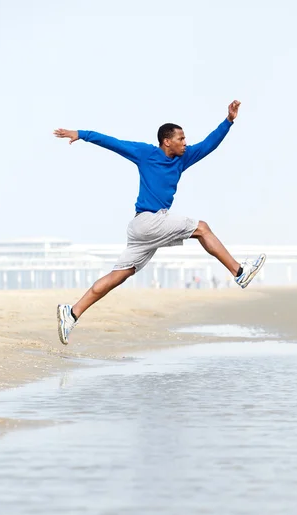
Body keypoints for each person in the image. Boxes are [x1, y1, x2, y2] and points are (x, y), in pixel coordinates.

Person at [54, 100, 265, 345]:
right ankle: (239, 272)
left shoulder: (182, 159)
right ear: (167, 141)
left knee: (118, 275)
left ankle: (71, 314)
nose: (186, 143)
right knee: (202, 228)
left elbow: (209, 144)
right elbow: (112, 142)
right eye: (181, 139)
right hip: (148, 222)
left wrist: (228, 121)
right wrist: (81, 134)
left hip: (142, 228)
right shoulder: (145, 154)